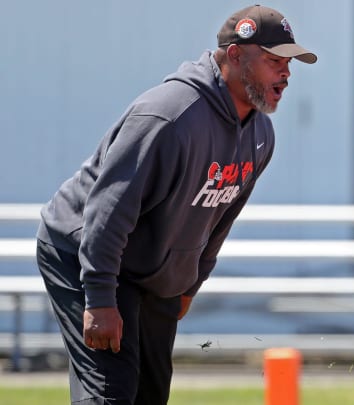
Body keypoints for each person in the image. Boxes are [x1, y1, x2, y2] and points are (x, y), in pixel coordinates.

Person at [35, 5, 316, 404]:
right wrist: (99, 297)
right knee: (110, 394)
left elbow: (220, 218)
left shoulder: (260, 135)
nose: (286, 74)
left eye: (288, 63)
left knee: (150, 395)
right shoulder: (169, 117)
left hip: (151, 266)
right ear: (235, 55)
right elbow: (108, 209)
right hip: (86, 250)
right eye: (274, 61)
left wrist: (191, 283)